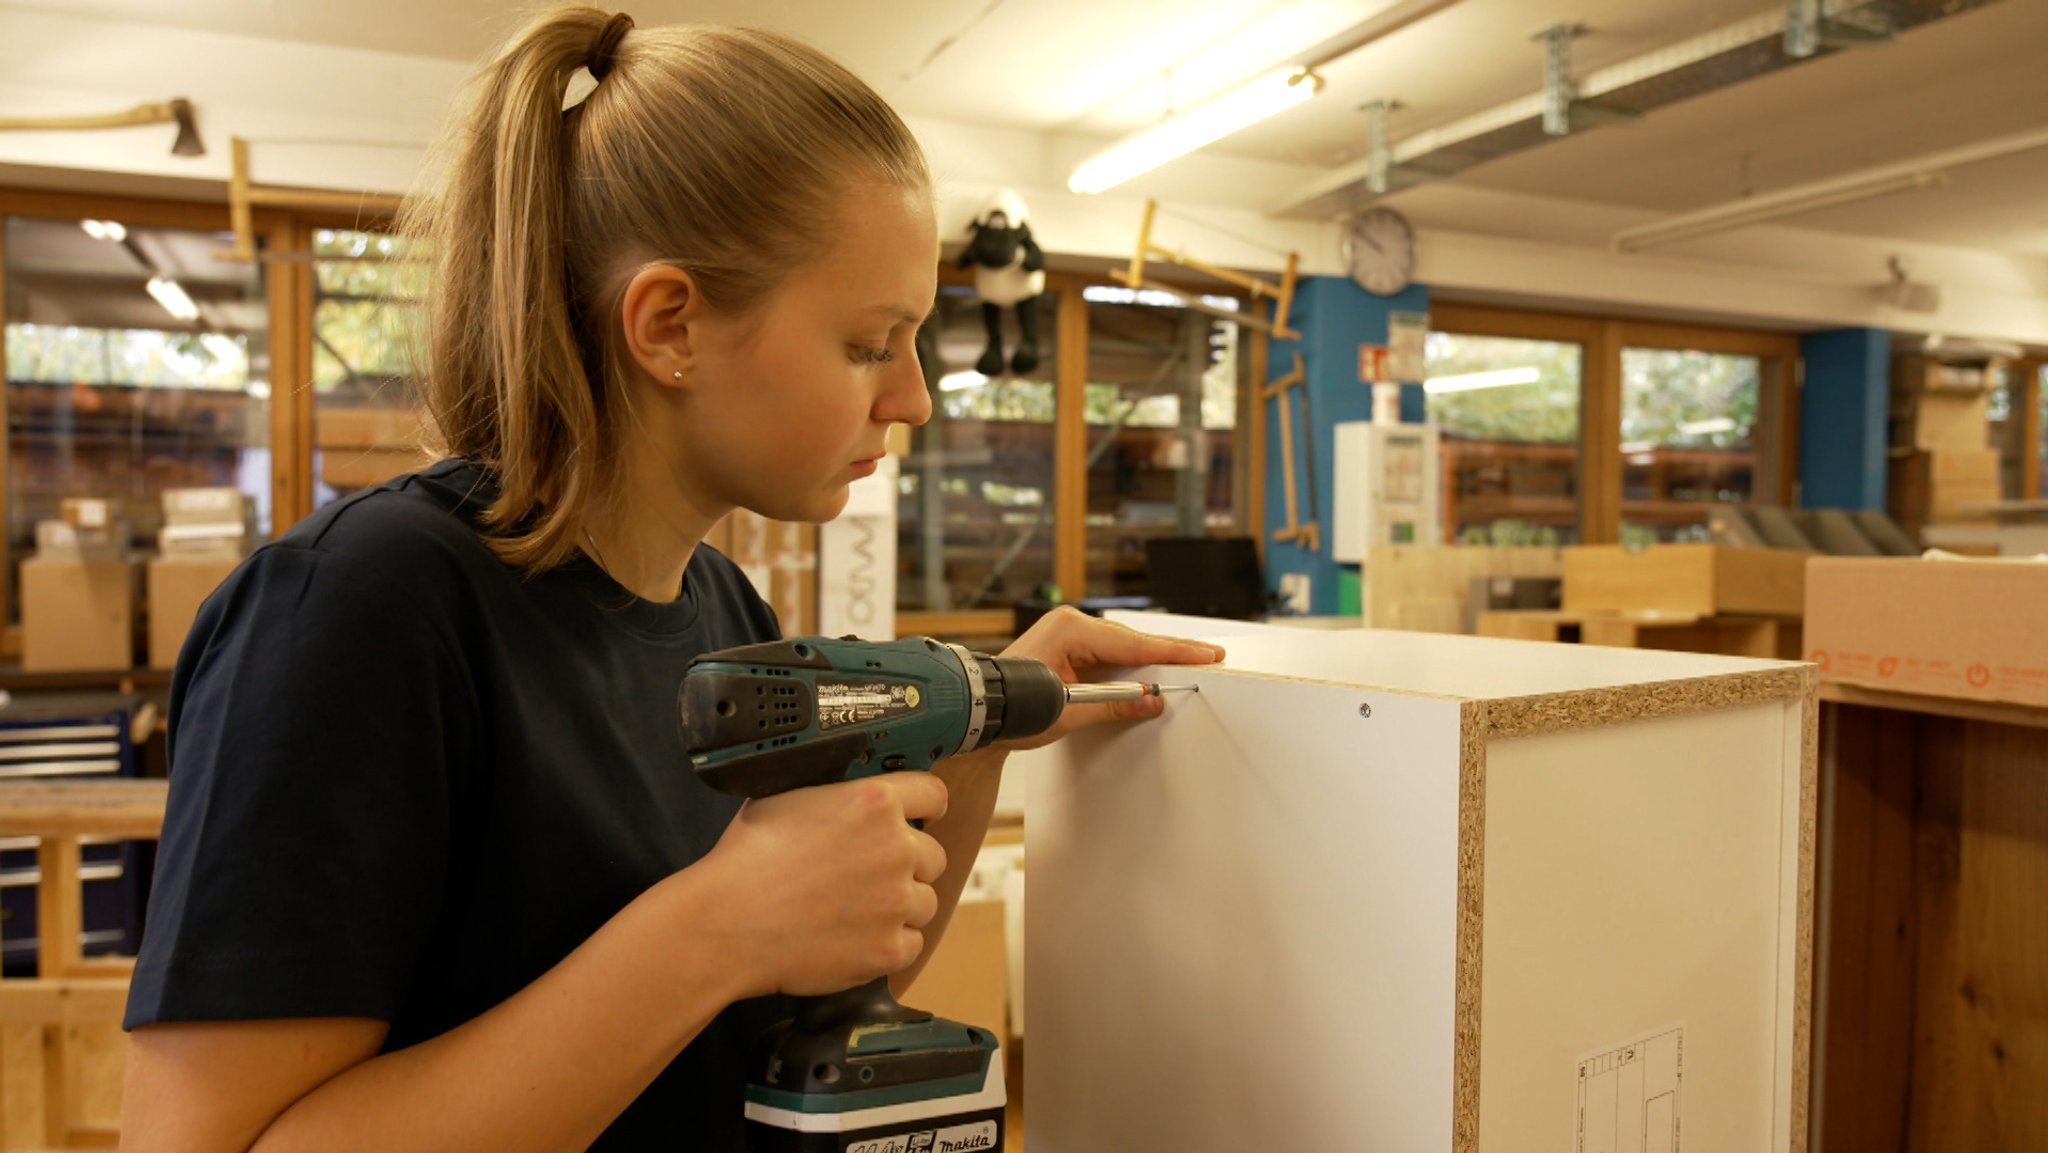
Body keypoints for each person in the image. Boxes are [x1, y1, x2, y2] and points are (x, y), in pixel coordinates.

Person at [117, 8, 1223, 1152]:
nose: (912, 400)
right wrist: (711, 926)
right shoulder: (357, 610)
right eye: (866, 343)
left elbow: (807, 1008)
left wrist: (985, 722)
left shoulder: (721, 612)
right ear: (670, 324)